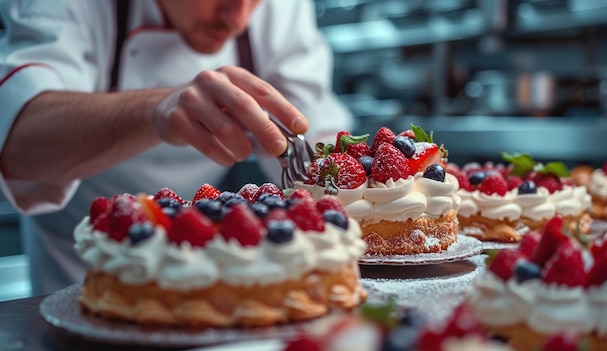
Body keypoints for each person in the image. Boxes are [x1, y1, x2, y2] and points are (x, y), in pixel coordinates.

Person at [0, 0, 353, 295]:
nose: (238, 18)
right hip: (84, 266)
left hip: (218, 258)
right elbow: (18, 141)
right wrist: (154, 110)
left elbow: (314, 138)